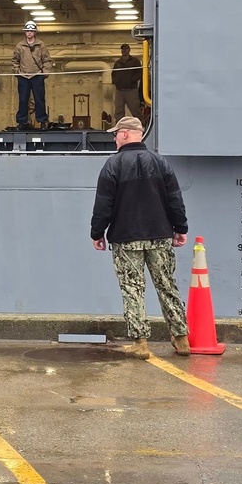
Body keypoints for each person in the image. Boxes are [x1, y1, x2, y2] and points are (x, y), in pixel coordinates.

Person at [89, 116, 190, 360]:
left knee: (133, 289)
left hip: (126, 239)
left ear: (125, 134)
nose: (114, 139)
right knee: (167, 286)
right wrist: (181, 228)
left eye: (115, 134)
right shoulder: (160, 162)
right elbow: (175, 198)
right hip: (160, 235)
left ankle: (141, 343)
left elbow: (104, 205)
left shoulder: (113, 165)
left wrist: (97, 232)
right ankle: (182, 339)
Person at [11, 21, 52, 129]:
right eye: (27, 31)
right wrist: (17, 72)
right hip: (23, 76)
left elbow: (47, 60)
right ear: (25, 32)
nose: (29, 33)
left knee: (39, 99)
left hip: (37, 75)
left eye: (31, 31)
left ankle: (42, 121)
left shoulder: (41, 45)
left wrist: (45, 73)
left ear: (35, 32)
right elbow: (15, 60)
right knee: (23, 99)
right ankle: (22, 122)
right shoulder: (19, 46)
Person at [112, 43, 143, 120]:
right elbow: (113, 73)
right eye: (122, 49)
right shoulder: (118, 63)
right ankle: (119, 128)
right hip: (119, 91)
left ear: (129, 50)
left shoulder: (135, 61)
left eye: (125, 49)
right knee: (118, 111)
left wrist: (132, 80)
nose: (124, 51)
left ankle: (142, 126)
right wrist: (115, 82)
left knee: (135, 110)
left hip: (131, 90)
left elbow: (139, 73)